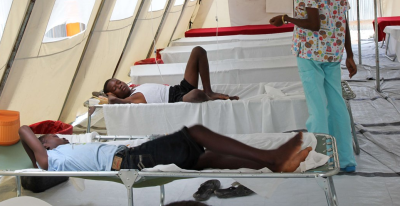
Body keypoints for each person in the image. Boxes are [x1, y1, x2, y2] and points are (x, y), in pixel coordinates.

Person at [269, 0, 357, 172]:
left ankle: (321, 160)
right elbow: (343, 21)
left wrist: (286, 18)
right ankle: (346, 161)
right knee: (337, 105)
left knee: (317, 109)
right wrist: (349, 54)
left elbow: (313, 23)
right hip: (332, 53)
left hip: (310, 53)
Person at [19, 125, 311, 173]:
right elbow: (24, 132)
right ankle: (271, 158)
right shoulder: (52, 159)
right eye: (55, 137)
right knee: (195, 134)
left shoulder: (57, 154)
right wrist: (23, 131)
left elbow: (33, 143)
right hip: (130, 161)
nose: (63, 138)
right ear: (44, 144)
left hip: (131, 156)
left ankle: (269, 165)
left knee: (205, 158)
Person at [103, 46, 239, 104]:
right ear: (112, 93)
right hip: (176, 99)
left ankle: (209, 92)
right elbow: (114, 101)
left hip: (177, 89)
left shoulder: (133, 87)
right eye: (115, 88)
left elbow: (99, 93)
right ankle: (210, 99)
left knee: (198, 51)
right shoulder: (131, 100)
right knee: (196, 94)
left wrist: (106, 93)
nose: (120, 86)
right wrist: (109, 95)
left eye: (119, 82)